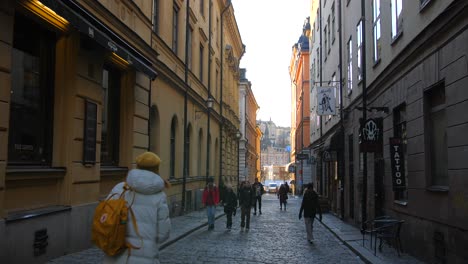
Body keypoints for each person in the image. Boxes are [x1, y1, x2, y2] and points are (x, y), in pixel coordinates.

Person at [103, 151, 171, 264]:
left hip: (115, 255)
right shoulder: (159, 197)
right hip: (144, 257)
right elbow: (163, 234)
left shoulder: (120, 188)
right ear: (157, 169)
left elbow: (105, 220)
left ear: (137, 166)